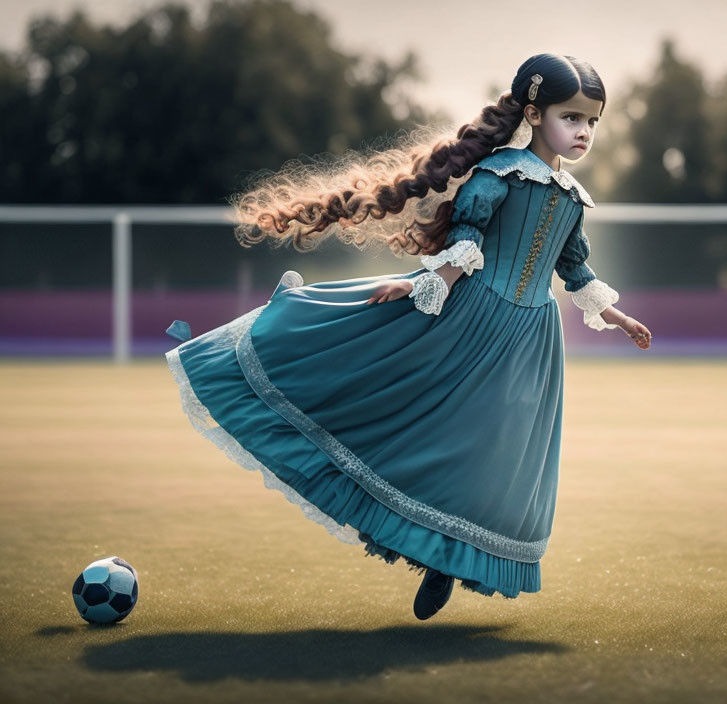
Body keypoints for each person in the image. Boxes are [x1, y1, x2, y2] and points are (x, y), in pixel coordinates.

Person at [164, 52, 652, 621]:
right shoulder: (498, 175)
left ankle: (446, 559)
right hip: (472, 319)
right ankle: (423, 549)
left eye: (592, 121)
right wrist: (420, 282)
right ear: (535, 113)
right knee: (430, 430)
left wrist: (614, 315)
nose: (584, 132)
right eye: (572, 118)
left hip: (530, 341)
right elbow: (466, 245)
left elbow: (574, 268)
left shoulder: (571, 199)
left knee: (494, 455)